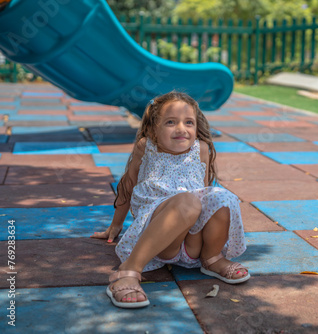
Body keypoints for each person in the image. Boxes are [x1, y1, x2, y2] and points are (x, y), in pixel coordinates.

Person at [92, 91, 249, 308]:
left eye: (188, 122)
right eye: (170, 122)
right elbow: (128, 185)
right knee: (188, 201)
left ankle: (212, 258)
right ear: (152, 129)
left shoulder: (200, 149)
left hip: (194, 246)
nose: (181, 129)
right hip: (163, 241)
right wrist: (116, 224)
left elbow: (203, 192)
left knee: (221, 197)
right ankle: (129, 271)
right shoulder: (146, 147)